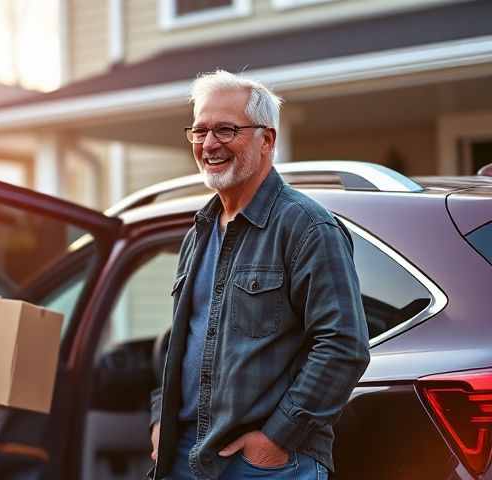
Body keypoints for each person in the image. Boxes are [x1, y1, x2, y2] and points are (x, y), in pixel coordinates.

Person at [147, 70, 370, 480]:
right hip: (185, 458)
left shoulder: (306, 227)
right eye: (199, 132)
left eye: (226, 130)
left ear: (267, 140)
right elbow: (182, 340)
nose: (209, 144)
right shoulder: (197, 234)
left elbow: (344, 346)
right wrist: (161, 420)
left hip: (266, 467)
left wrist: (275, 440)